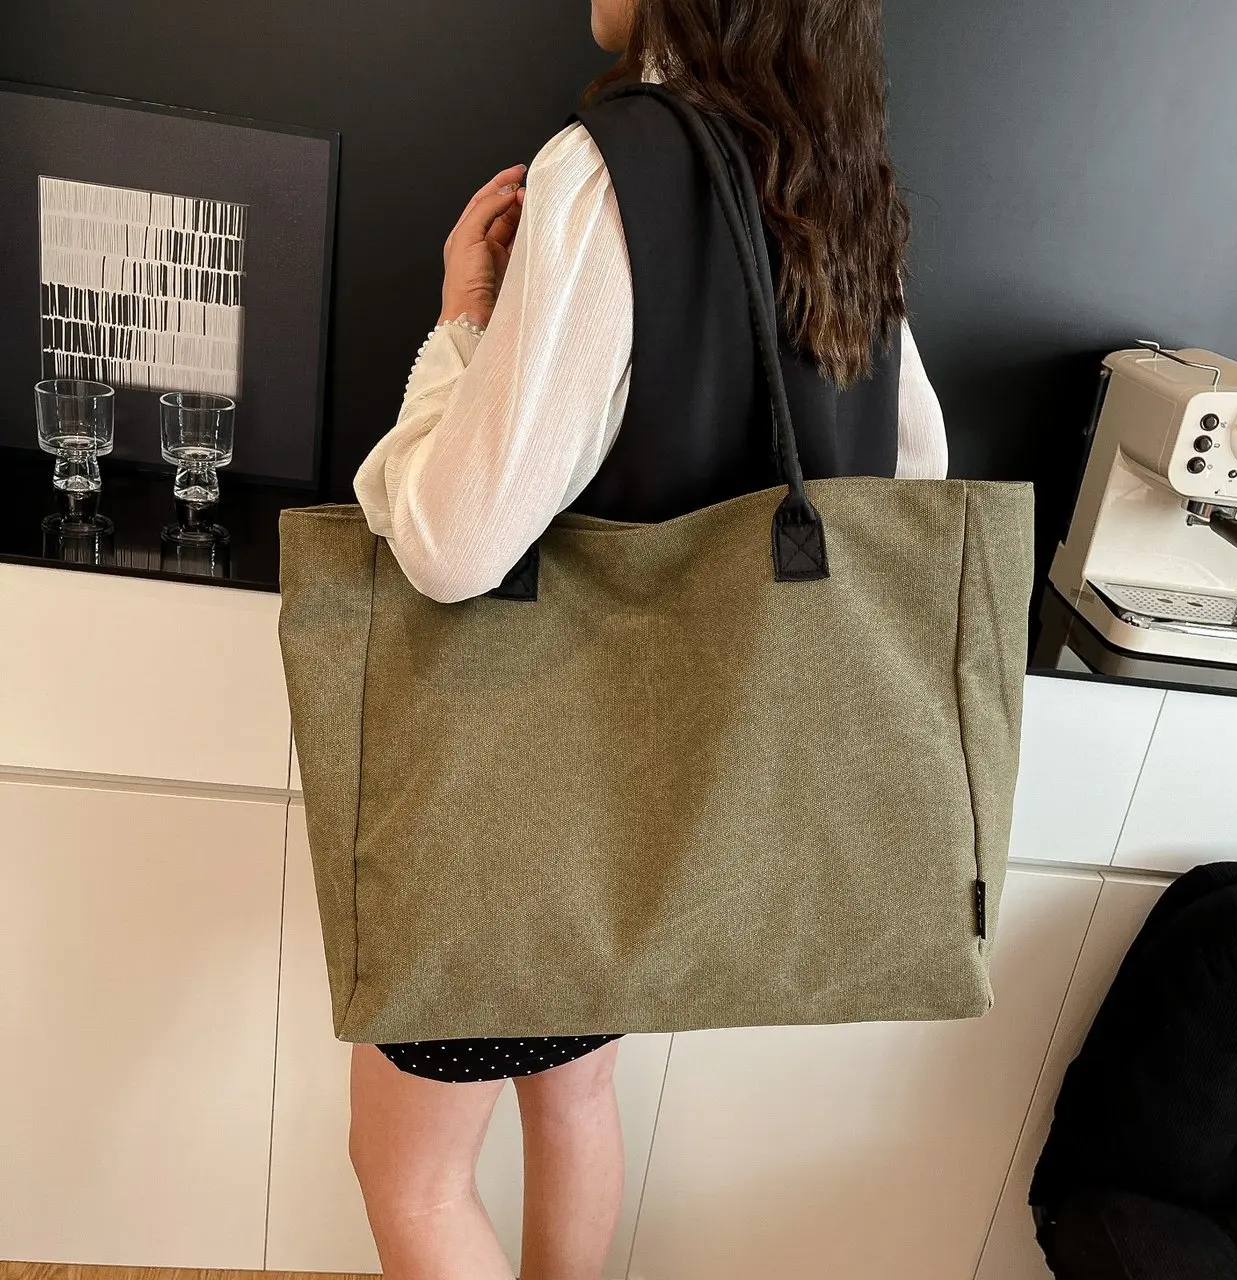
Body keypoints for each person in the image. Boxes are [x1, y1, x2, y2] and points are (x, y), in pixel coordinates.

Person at [350, 1, 947, 1276]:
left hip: (525, 792)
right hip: (669, 806)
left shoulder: (608, 169)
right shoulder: (841, 189)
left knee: (410, 1175)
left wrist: (463, 326)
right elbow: (912, 476)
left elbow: (452, 545)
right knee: (572, 1100)